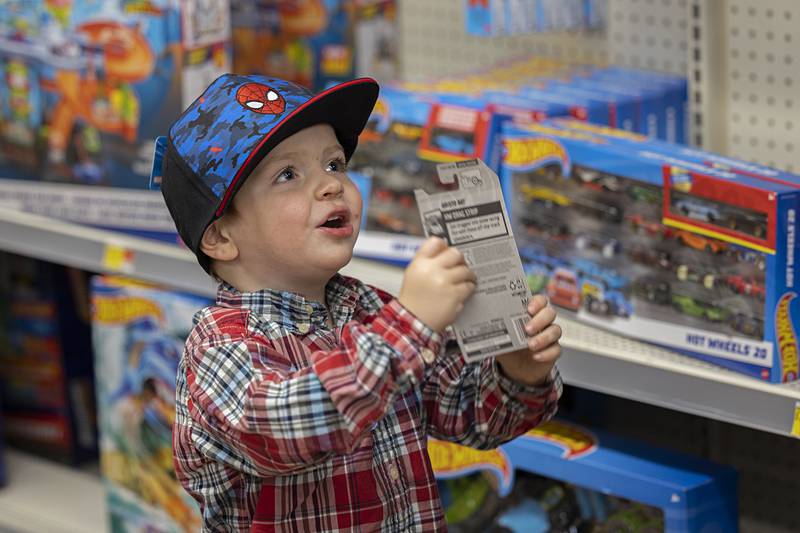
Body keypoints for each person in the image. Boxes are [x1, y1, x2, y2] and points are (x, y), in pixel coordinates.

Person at [158, 74, 563, 532]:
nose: (331, 186)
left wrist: (518, 371)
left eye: (334, 164)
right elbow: (290, 425)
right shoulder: (219, 348)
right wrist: (409, 324)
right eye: (288, 175)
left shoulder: (370, 309)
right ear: (220, 236)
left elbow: (470, 418)